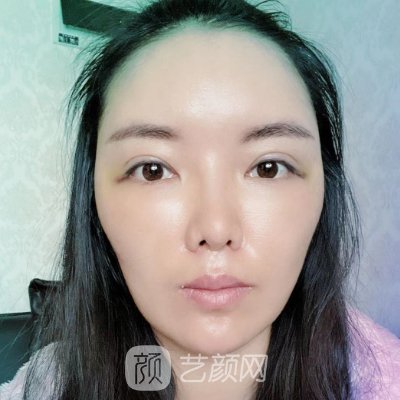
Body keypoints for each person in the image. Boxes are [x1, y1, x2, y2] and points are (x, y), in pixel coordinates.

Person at [1, 0, 399, 399]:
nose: (216, 228)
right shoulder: (43, 387)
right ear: (93, 201)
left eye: (268, 168)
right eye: (152, 170)